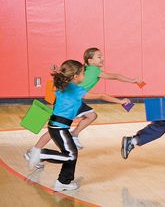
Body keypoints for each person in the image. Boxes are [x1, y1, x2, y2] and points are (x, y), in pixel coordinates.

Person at [25, 47, 140, 168]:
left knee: (87, 117)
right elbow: (115, 77)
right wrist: (131, 83)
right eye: (99, 57)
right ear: (90, 61)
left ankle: (69, 136)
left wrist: (57, 71)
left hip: (73, 99)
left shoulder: (83, 69)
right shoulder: (95, 71)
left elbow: (68, 73)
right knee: (56, 130)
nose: (103, 58)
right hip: (72, 100)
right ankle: (36, 152)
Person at [28, 59, 131, 191]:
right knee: (70, 155)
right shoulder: (76, 90)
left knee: (72, 153)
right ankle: (41, 155)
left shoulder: (63, 84)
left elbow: (61, 76)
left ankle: (63, 182)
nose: (85, 76)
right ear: (75, 77)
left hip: (57, 126)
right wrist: (121, 101)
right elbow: (102, 95)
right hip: (59, 127)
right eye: (83, 73)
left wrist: (57, 70)